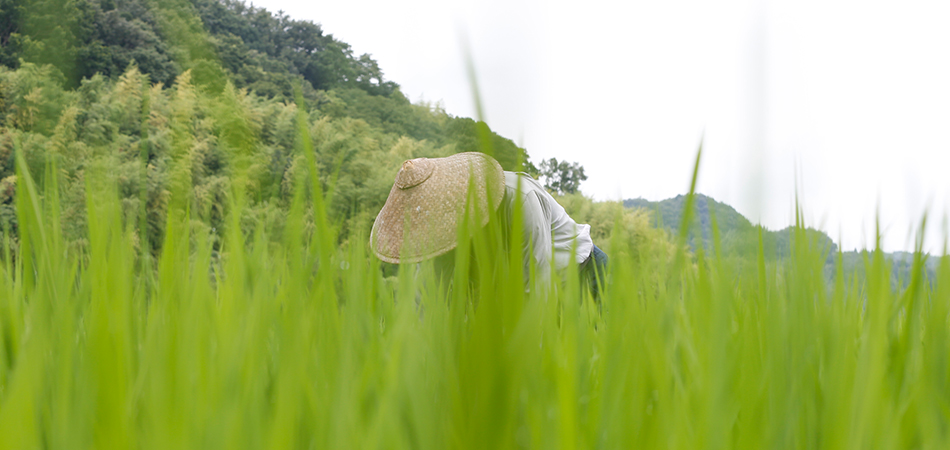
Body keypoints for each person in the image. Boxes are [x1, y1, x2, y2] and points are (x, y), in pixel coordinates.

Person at [370, 152, 607, 298]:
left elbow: (535, 293)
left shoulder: (517, 198)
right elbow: (424, 301)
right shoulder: (442, 232)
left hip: (584, 276)